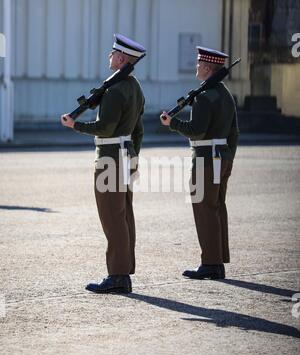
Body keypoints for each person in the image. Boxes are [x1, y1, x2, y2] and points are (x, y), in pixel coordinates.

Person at [61, 34, 146, 293]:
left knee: (112, 217)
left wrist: (75, 125)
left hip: (109, 158)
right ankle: (124, 270)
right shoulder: (135, 88)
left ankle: (118, 275)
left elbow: (104, 127)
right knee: (124, 215)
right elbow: (138, 130)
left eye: (112, 53)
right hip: (126, 157)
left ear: (121, 58)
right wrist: (133, 155)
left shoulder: (114, 90)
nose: (109, 57)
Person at [160, 46, 239, 279]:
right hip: (221, 158)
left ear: (207, 68)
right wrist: (228, 158)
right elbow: (234, 132)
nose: (196, 67)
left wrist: (172, 123)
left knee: (204, 209)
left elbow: (196, 131)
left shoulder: (205, 97)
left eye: (198, 64)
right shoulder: (225, 94)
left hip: (206, 160)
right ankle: (217, 261)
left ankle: (210, 263)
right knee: (216, 208)